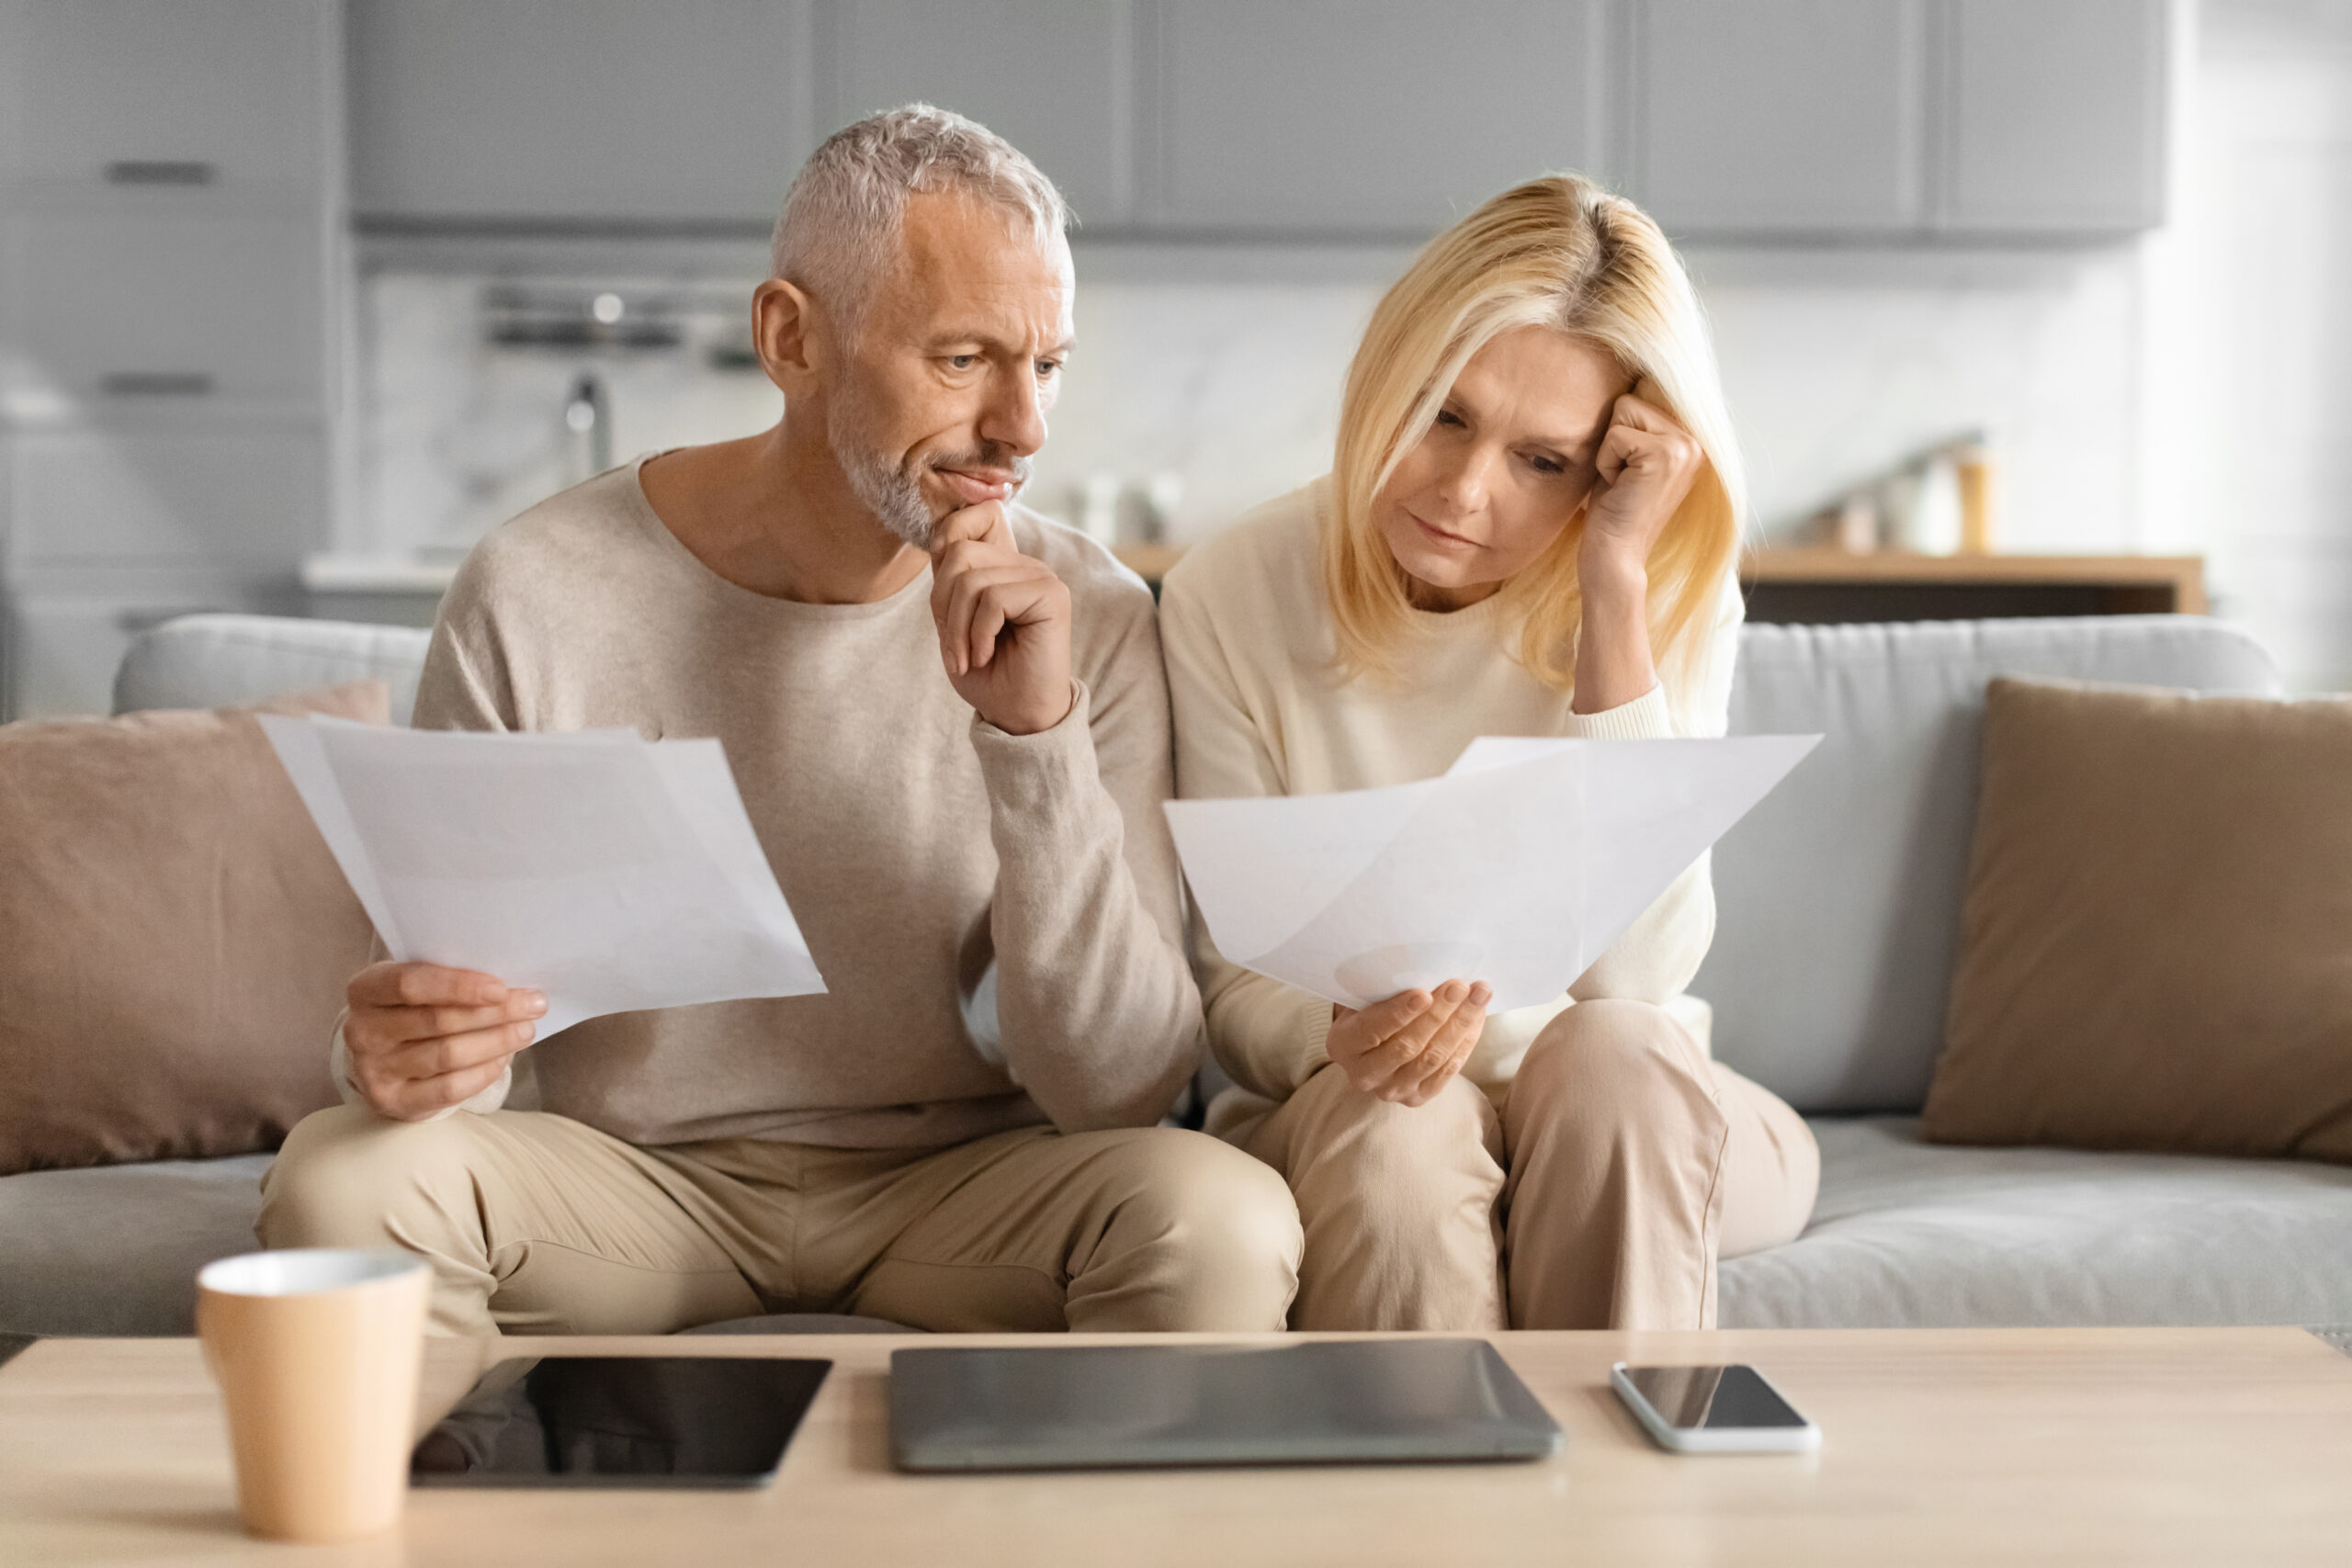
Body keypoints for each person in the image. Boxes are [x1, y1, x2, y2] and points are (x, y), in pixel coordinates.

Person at [259, 106, 1302, 1337]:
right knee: (341, 1178)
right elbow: (460, 1044)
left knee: (1221, 1214)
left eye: (1050, 364)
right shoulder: (537, 590)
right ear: (792, 338)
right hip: (627, 1185)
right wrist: (401, 1053)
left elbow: (1120, 1087)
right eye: (964, 359)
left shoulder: (1093, 617)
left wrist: (1035, 740)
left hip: (964, 1186)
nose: (1023, 428)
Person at [1159, 174, 1818, 1333]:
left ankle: (1622, 1510)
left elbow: (1639, 981)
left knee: (1614, 1052)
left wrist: (1613, 598)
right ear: (1387, 377)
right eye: (1444, 414)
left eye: (1542, 462)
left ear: (1609, 468)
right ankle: (1437, 1512)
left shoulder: (1661, 592)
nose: (1463, 493)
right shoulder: (1231, 590)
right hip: (1360, 1105)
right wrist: (1336, 1036)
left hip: (1623, 1106)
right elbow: (1234, 990)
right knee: (1395, 1134)